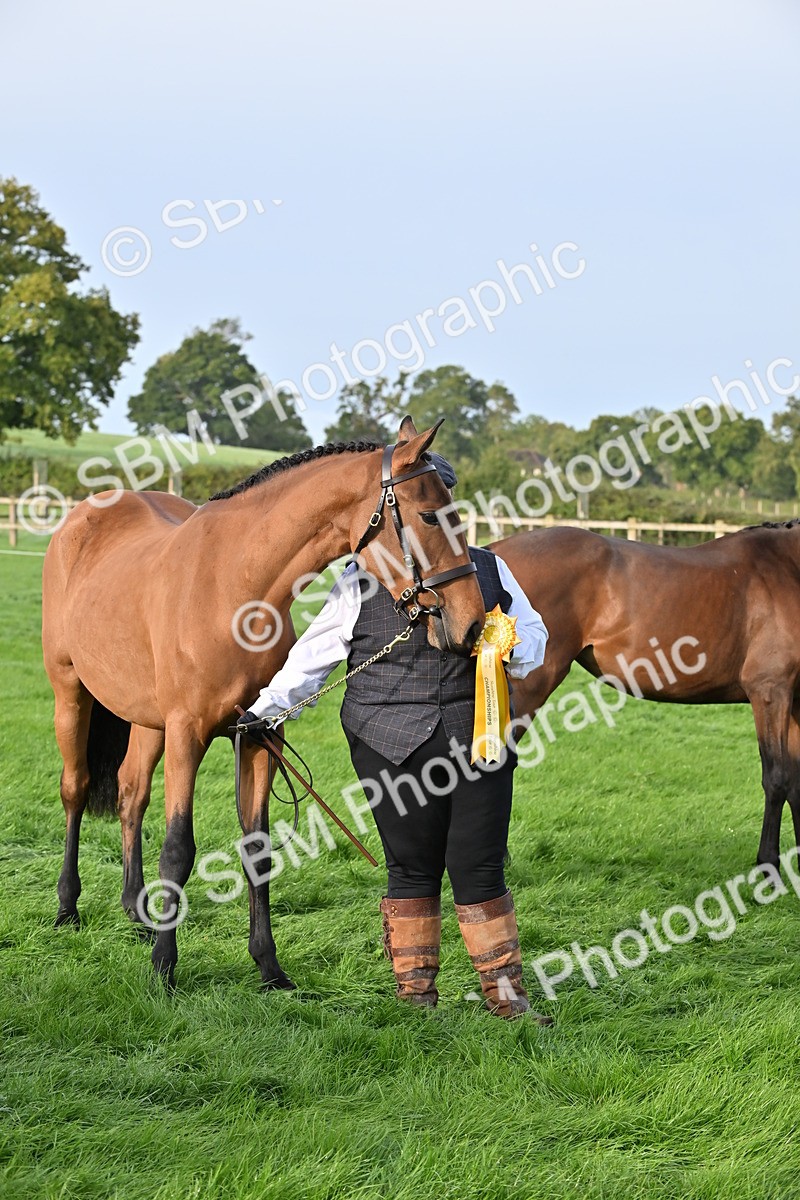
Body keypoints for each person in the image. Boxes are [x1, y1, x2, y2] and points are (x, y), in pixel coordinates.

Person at [238, 453, 549, 1020]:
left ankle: (507, 999)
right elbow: (317, 652)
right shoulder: (361, 577)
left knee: (479, 862)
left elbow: (535, 638)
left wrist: (502, 644)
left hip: (476, 734)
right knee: (410, 863)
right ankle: (415, 998)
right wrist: (265, 710)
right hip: (384, 737)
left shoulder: (490, 569)